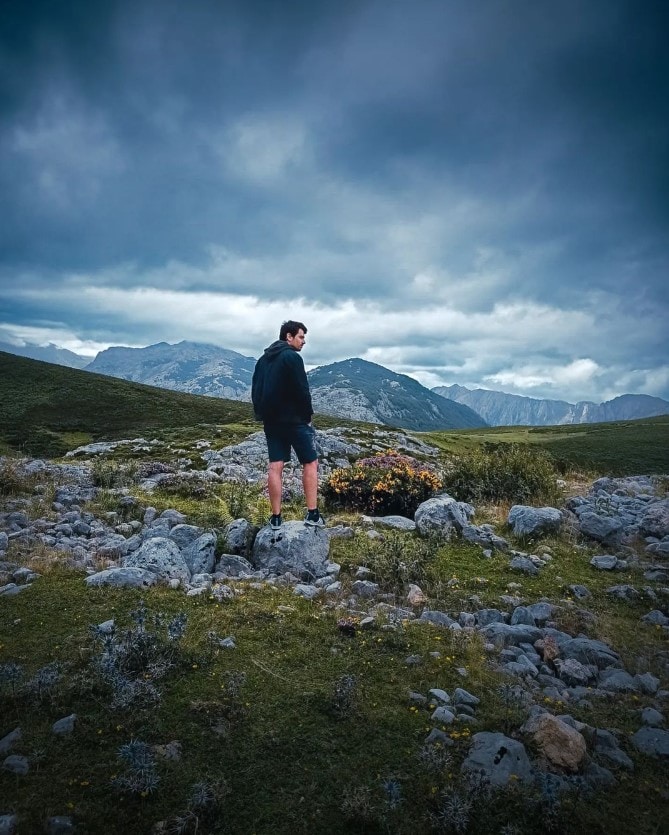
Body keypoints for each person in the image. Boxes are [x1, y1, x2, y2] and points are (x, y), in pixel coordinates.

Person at [251, 320, 326, 535]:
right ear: (289, 337)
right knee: (310, 462)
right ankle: (312, 514)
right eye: (301, 337)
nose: (304, 341)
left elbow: (256, 390)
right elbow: (302, 390)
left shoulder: (263, 360)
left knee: (275, 466)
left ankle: (276, 518)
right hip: (295, 421)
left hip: (271, 422)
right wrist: (307, 416)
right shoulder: (293, 357)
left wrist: (262, 415)